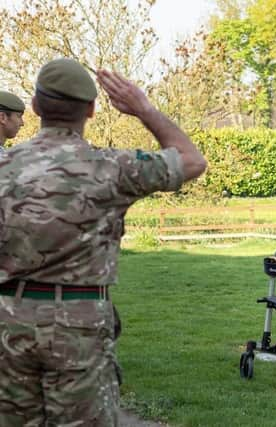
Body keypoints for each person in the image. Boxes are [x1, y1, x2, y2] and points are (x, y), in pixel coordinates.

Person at [0, 58, 207, 426]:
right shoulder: (110, 167)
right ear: (92, 110)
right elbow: (191, 160)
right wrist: (142, 109)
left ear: (34, 106)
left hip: (8, 320)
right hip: (78, 324)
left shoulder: (5, 165)